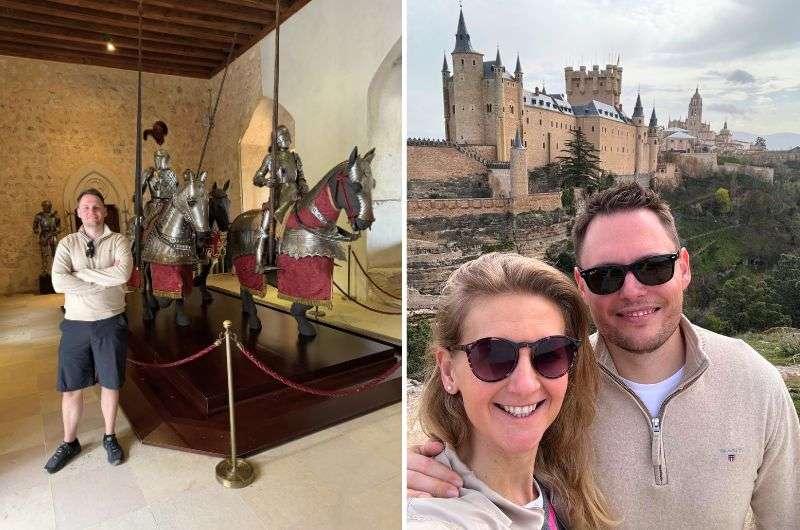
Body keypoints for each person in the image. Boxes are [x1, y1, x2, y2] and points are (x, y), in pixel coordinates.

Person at [408, 183, 800, 528]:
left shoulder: (754, 381)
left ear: (683, 268)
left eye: (653, 267)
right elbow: (471, 460)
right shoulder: (555, 383)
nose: (631, 291)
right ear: (582, 285)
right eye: (606, 276)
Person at [408, 253, 615, 529]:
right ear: (448, 371)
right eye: (494, 356)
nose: (525, 385)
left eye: (550, 354)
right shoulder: (435, 515)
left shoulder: (559, 486)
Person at [46, 188, 133, 473]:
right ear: (78, 212)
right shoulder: (67, 243)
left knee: (110, 383)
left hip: (110, 321)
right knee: (70, 387)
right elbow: (59, 282)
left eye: (96, 207)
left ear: (105, 211)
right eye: (85, 207)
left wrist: (79, 275)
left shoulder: (119, 240)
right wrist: (100, 281)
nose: (91, 212)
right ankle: (70, 441)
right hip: (76, 323)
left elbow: (122, 275)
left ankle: (109, 436)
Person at [253, 125, 308, 272]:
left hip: (295, 196)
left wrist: (304, 186)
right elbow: (257, 177)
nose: (286, 139)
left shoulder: (295, 157)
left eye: (287, 135)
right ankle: (259, 262)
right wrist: (266, 181)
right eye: (282, 136)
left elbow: (301, 177)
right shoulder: (271, 158)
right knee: (265, 229)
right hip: (277, 199)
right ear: (276, 140)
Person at [32, 199, 61, 274]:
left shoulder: (55, 216)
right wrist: (36, 231)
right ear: (43, 207)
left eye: (48, 206)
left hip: (52, 235)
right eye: (45, 206)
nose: (47, 207)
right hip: (44, 235)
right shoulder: (39, 216)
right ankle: (45, 270)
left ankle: (56, 269)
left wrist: (57, 231)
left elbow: (58, 226)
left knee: (55, 253)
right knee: (44, 254)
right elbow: (35, 226)